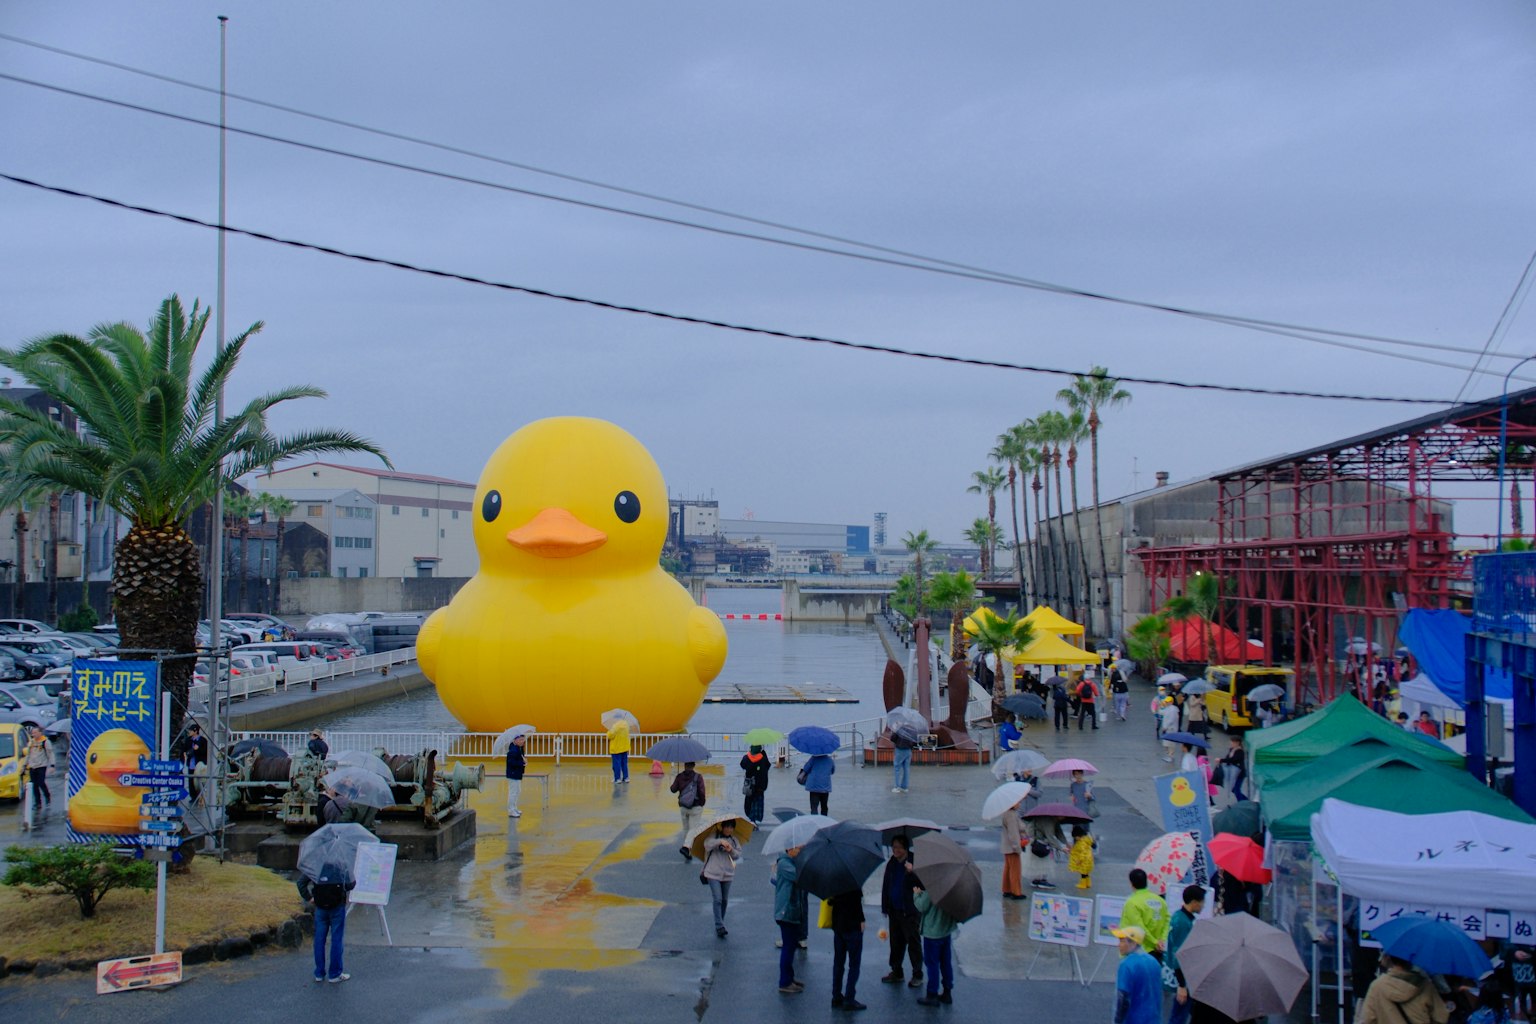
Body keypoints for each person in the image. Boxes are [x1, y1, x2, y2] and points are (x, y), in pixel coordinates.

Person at [297, 865, 356, 983]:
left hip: (320, 908)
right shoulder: (340, 866)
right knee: (336, 940)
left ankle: (319, 973)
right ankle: (335, 974)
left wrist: (309, 898)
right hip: (337, 907)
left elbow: (300, 883)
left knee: (319, 940)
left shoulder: (316, 865)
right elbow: (350, 885)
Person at [1357, 954, 1451, 1024]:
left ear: (1390, 958)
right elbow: (1441, 1017)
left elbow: (1368, 1019)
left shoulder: (1377, 986)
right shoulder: (1426, 986)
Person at [880, 835, 923, 987]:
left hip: (909, 910)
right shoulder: (892, 863)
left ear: (906, 848)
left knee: (913, 942)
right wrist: (885, 905)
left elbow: (923, 884)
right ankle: (897, 971)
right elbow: (886, 885)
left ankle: (917, 973)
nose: (896, 850)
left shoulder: (914, 862)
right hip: (895, 909)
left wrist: (913, 872)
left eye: (899, 847)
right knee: (896, 943)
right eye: (894, 847)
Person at [913, 864, 958, 1006]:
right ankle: (947, 991)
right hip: (946, 932)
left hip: (932, 934)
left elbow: (922, 906)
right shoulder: (951, 888)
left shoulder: (932, 887)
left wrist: (916, 894)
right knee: (946, 963)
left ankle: (932, 993)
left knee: (932, 964)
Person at [1167, 884, 1206, 1024]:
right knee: (1179, 1016)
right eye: (1202, 902)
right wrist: (1182, 985)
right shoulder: (1182, 923)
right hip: (1184, 977)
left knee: (1182, 1014)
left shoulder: (1182, 918)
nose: (1203, 905)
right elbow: (1179, 955)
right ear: (1194, 902)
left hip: (1186, 976)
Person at [1114, 924, 1164, 1024]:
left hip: (1134, 1019)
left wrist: (1117, 1021)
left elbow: (1122, 999)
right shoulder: (1154, 961)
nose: (1118, 945)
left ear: (1133, 943)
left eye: (1122, 941)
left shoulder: (1126, 965)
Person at [774, 845, 807, 994]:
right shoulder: (784, 864)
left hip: (791, 911)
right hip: (786, 912)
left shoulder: (791, 862)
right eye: (798, 849)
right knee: (788, 947)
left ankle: (789, 977)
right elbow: (799, 877)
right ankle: (784, 982)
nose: (800, 851)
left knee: (792, 945)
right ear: (790, 849)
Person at [829, 886, 867, 1011]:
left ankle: (836, 995)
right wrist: (862, 919)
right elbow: (856, 903)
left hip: (838, 924)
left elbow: (830, 901)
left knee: (838, 962)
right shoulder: (853, 882)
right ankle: (849, 998)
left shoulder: (833, 880)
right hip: (852, 926)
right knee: (854, 964)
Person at [702, 820, 740, 938]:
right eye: (727, 827)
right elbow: (707, 844)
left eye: (731, 828)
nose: (729, 830)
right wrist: (720, 841)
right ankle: (719, 925)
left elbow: (737, 855)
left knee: (724, 900)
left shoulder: (734, 840)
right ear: (722, 827)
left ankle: (720, 922)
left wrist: (730, 850)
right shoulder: (715, 836)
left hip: (728, 874)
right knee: (717, 899)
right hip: (713, 873)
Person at [1121, 868, 1170, 961]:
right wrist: (1161, 941)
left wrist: (1155, 942)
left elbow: (1139, 928)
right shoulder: (1160, 901)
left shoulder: (1132, 902)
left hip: (1139, 951)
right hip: (1158, 951)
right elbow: (1167, 921)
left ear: (1131, 883)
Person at [670, 761, 707, 859]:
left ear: (684, 765)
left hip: (683, 806)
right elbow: (702, 792)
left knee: (686, 829)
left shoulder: (679, 776)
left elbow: (673, 789)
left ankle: (688, 851)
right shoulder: (698, 777)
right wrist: (702, 803)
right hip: (695, 806)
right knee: (693, 828)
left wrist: (676, 778)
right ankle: (686, 847)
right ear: (694, 765)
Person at [1026, 815, 1069, 889]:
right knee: (1044, 861)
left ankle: (1037, 880)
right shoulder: (1048, 821)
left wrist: (1066, 843)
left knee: (1039, 861)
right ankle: (1042, 880)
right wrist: (1061, 848)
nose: (1064, 817)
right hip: (1039, 842)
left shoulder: (1054, 820)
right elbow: (1050, 837)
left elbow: (1059, 832)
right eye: (1063, 816)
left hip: (1039, 842)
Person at [24, 725, 53, 822]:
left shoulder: (45, 742)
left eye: (35, 732)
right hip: (32, 766)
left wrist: (52, 765)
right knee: (34, 785)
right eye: (33, 733)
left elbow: (50, 753)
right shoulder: (31, 742)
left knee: (41, 782)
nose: (34, 734)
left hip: (41, 765)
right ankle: (38, 802)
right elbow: (28, 754)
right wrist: (25, 765)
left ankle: (47, 796)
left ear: (40, 733)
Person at [1001, 795, 1026, 900]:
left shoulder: (1007, 813)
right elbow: (1013, 834)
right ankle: (1016, 892)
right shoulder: (1011, 815)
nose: (1019, 804)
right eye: (1017, 802)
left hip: (1006, 846)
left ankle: (1006, 889)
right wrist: (1017, 847)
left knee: (1008, 868)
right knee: (1015, 870)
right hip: (1012, 847)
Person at [740, 745, 770, 824]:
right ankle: (754, 820)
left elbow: (742, 765)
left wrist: (748, 754)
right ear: (760, 749)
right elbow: (768, 766)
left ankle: (751, 819)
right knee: (757, 803)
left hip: (749, 785)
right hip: (760, 786)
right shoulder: (763, 758)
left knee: (749, 802)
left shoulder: (747, 757)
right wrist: (764, 753)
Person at [801, 751, 834, 815]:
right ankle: (824, 823)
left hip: (814, 787)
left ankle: (814, 822)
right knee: (824, 807)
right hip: (825, 787)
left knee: (814, 807)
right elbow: (832, 771)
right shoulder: (830, 760)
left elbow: (806, 769)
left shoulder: (813, 758)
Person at [505, 731, 527, 818]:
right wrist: (522, 763)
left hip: (517, 773)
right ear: (516, 740)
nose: (523, 741)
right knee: (513, 792)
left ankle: (514, 808)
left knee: (517, 791)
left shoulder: (518, 749)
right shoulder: (513, 750)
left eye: (523, 740)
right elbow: (512, 762)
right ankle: (511, 810)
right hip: (513, 774)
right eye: (521, 740)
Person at [1069, 823, 1096, 889]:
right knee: (1086, 873)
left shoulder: (1081, 843)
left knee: (1083, 874)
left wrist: (1079, 861)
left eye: (1075, 837)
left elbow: (1082, 853)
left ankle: (1083, 884)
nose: (1075, 838)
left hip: (1084, 861)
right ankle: (1088, 883)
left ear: (1078, 835)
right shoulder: (1087, 839)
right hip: (1089, 859)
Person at [1220, 736, 1247, 802]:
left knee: (1236, 789)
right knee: (1234, 789)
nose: (1231, 743)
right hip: (1233, 773)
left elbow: (1233, 760)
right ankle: (1246, 801)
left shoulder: (1240, 751)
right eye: (1231, 741)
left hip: (1239, 773)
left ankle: (1241, 803)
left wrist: (1221, 760)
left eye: (1232, 742)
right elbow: (1228, 758)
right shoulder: (1231, 749)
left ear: (1237, 743)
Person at [606, 715, 631, 783]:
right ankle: (626, 777)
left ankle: (617, 778)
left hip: (616, 748)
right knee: (624, 763)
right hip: (625, 747)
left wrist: (608, 731)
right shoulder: (626, 725)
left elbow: (609, 735)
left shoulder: (615, 726)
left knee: (616, 764)